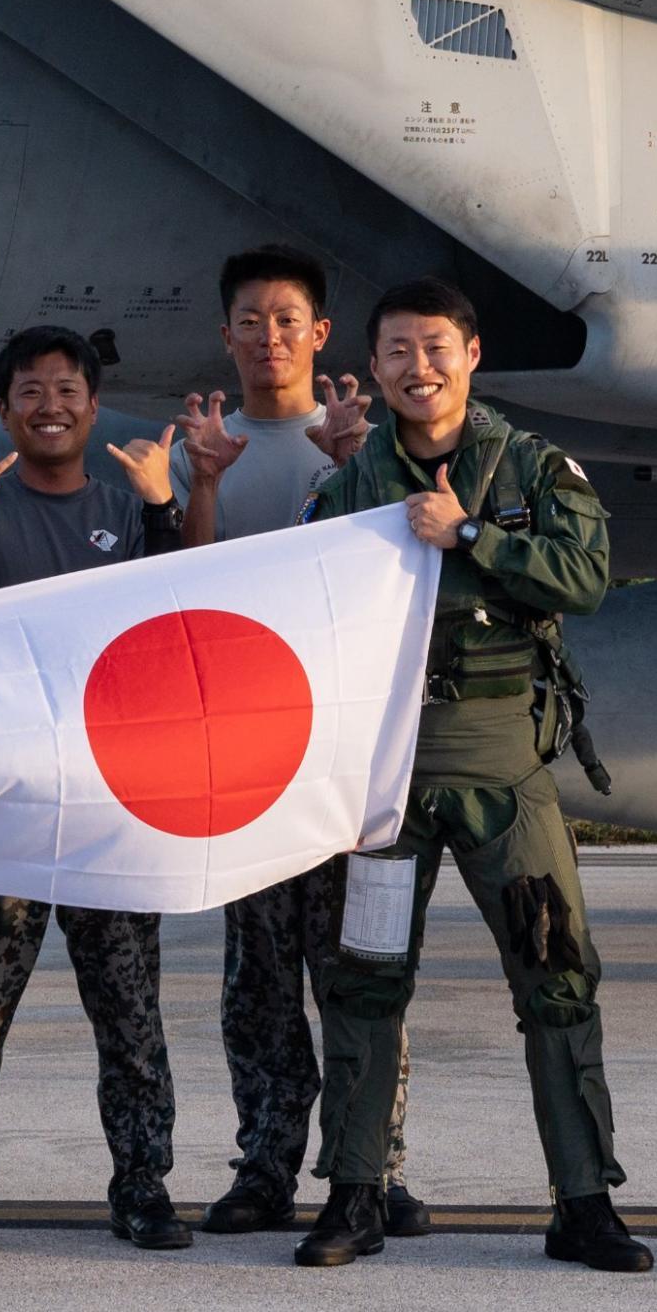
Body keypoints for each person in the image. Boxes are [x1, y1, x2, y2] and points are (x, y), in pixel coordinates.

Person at [297, 278, 645, 1274]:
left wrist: (472, 534)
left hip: (502, 763)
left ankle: (585, 1202)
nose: (419, 368)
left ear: (471, 354)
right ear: (374, 367)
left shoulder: (533, 468)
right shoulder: (346, 488)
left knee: (556, 976)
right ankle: (354, 1193)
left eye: (436, 347)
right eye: (398, 351)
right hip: (387, 774)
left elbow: (586, 577)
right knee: (364, 983)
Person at [0, 326, 199, 1255]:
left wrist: (162, 505)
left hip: (110, 800)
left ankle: (143, 1187)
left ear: (94, 405)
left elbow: (170, 615)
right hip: (6, 801)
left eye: (67, 390)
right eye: (29, 392)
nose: (50, 407)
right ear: (2, 408)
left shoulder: (125, 505)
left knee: (130, 1012)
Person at [167, 244, 414, 1240]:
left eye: (287, 320)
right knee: (259, 981)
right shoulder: (200, 447)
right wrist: (203, 482)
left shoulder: (367, 446)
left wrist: (356, 467)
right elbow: (182, 591)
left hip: (347, 755)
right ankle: (264, 1165)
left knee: (360, 972)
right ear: (225, 336)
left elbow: (394, 567)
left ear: (320, 334)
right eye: (249, 321)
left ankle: (374, 1167)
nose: (268, 338)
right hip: (248, 756)